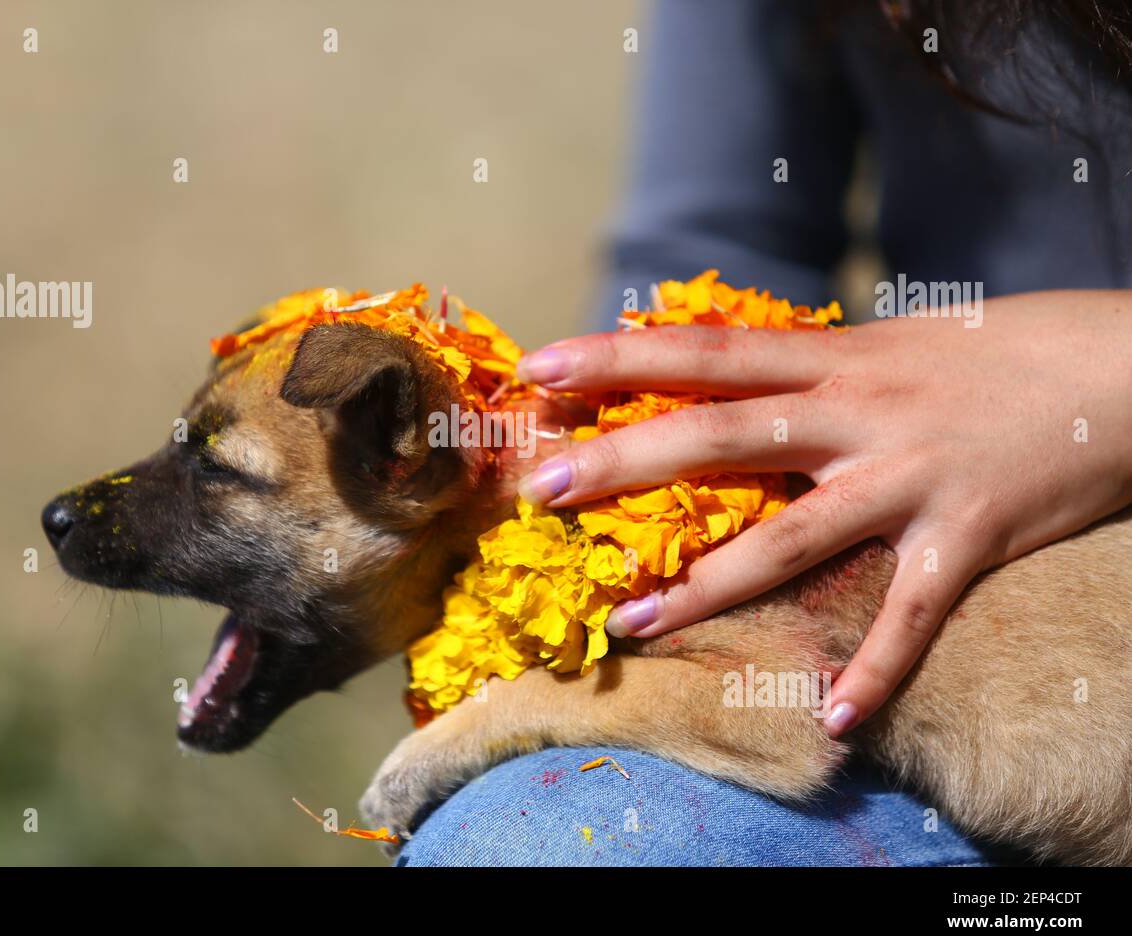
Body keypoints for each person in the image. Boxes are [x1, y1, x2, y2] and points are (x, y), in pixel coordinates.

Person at [400, 0, 1132, 866]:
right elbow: (723, 241)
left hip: (1068, 700)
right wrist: (567, 530)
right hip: (954, 727)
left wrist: (1105, 375)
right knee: (535, 845)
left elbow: (775, 729)